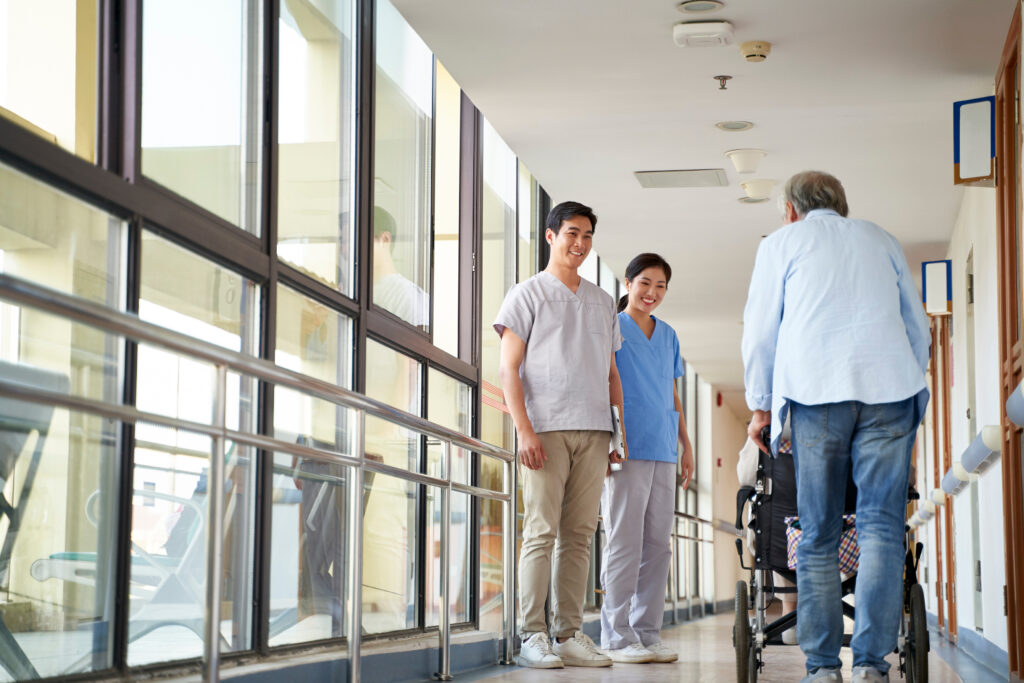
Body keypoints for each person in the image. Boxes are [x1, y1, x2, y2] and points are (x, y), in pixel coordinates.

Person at [742, 171, 930, 683]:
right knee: (882, 530)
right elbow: (918, 325)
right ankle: (871, 665)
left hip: (816, 390)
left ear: (789, 210)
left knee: (820, 533)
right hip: (890, 391)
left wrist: (760, 407)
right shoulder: (881, 238)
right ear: (841, 205)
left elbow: (761, 331)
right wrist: (916, 393)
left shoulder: (782, 243)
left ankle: (824, 669)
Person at [495, 200, 624, 669]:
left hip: (594, 430)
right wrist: (523, 429)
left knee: (580, 534)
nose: (580, 243)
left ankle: (569, 633)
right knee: (541, 531)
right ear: (551, 237)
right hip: (545, 428)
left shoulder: (603, 302)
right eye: (572, 233)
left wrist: (617, 437)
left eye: (587, 235)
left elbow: (612, 377)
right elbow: (508, 369)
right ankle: (532, 634)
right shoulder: (526, 295)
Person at [599, 253, 694, 664]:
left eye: (660, 286)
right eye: (644, 283)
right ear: (627, 283)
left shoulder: (669, 335)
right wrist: (608, 439)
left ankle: (647, 632)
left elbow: (671, 393)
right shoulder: (610, 327)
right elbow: (603, 380)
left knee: (658, 543)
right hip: (627, 445)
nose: (651, 293)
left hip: (664, 447)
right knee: (624, 540)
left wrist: (686, 444)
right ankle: (615, 635)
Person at [372, 206, 429, 327]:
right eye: (343, 241)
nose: (346, 249)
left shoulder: (409, 297)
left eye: (356, 239)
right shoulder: (351, 292)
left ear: (385, 240)